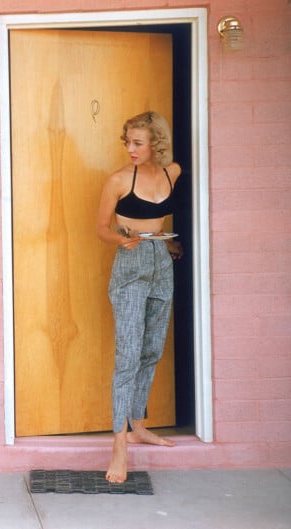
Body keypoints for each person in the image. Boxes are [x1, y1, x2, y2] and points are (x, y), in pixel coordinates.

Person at [96, 110, 183, 483]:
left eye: (138, 143)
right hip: (130, 266)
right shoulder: (118, 180)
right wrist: (120, 239)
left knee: (152, 350)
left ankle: (139, 426)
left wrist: (171, 243)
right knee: (128, 355)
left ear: (156, 144)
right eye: (127, 142)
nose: (130, 149)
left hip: (161, 262)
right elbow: (101, 227)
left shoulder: (172, 172)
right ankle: (119, 445)